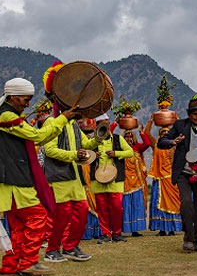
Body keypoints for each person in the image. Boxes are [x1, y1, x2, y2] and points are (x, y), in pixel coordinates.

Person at [0, 78, 80, 276]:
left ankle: (11, 265)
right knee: (38, 217)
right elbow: (38, 136)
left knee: (18, 226)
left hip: (6, 179)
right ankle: (27, 262)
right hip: (14, 179)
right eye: (25, 100)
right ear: (13, 96)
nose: (28, 104)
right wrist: (62, 118)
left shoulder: (7, 114)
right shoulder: (8, 115)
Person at [158, 98, 197, 253]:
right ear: (189, 114)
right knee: (186, 203)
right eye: (195, 114)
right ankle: (188, 238)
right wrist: (173, 141)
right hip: (183, 172)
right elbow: (161, 141)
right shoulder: (180, 125)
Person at [41, 110, 93, 262]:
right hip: (59, 175)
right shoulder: (51, 121)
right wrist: (74, 155)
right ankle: (52, 250)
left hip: (75, 175)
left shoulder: (73, 124)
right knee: (63, 214)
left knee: (82, 210)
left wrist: (98, 138)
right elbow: (49, 150)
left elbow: (86, 144)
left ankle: (70, 247)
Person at [86, 114, 135, 244]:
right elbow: (83, 155)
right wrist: (92, 155)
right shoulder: (92, 142)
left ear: (109, 124)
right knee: (102, 208)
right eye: (100, 124)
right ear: (96, 126)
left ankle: (117, 233)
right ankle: (105, 234)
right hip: (97, 180)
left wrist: (116, 154)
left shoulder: (118, 139)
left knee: (116, 207)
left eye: (106, 123)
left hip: (115, 180)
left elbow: (130, 152)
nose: (104, 126)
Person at [146, 119, 182, 236]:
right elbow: (147, 134)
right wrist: (151, 121)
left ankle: (171, 228)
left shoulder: (175, 146)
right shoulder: (156, 145)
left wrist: (177, 120)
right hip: (160, 179)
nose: (164, 136)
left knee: (173, 203)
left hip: (171, 178)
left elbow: (183, 135)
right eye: (162, 134)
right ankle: (161, 229)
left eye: (166, 134)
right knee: (158, 205)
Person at [120, 126, 151, 237]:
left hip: (137, 181)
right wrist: (114, 124)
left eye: (130, 136)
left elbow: (147, 144)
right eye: (126, 137)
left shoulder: (137, 147)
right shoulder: (120, 149)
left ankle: (135, 230)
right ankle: (124, 228)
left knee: (136, 204)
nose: (128, 139)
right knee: (125, 205)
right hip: (125, 181)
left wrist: (142, 133)